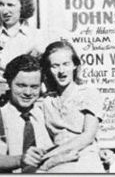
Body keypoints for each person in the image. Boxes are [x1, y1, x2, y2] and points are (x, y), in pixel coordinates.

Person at [0, 54, 78, 173]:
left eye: (34, 87)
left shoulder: (46, 110)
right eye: (21, 86)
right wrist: (20, 160)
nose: (28, 92)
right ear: (9, 84)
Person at [0, 0, 54, 116]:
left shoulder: (38, 37)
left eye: (10, 5)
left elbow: (47, 82)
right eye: (1, 4)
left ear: (22, 6)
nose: (5, 10)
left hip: (32, 107)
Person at [40, 41, 105, 173]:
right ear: (48, 69)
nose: (61, 71)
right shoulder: (46, 101)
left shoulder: (88, 93)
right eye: (55, 66)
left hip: (84, 159)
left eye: (66, 64)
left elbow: (88, 137)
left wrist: (49, 156)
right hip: (56, 164)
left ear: (75, 65)